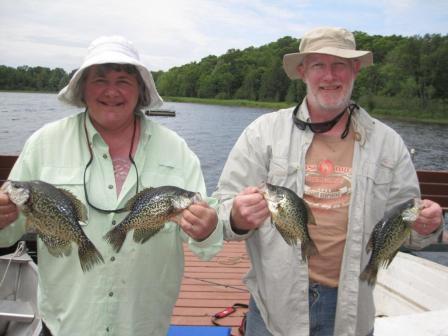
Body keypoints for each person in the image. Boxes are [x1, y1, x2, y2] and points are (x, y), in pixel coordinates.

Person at [213, 27, 444, 336]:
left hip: (350, 307)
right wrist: (237, 216)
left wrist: (426, 227)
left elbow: (406, 228)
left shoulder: (388, 143)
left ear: (355, 70)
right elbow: (221, 214)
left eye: (340, 64)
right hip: (275, 305)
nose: (329, 75)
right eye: (318, 64)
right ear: (303, 71)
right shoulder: (262, 133)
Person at [0, 35, 222, 336]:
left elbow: (205, 244)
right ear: (83, 88)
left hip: (142, 326)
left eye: (124, 81)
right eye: (100, 80)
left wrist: (206, 227)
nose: (111, 91)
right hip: (66, 326)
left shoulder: (177, 151)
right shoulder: (43, 144)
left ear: (140, 90)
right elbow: (7, 235)